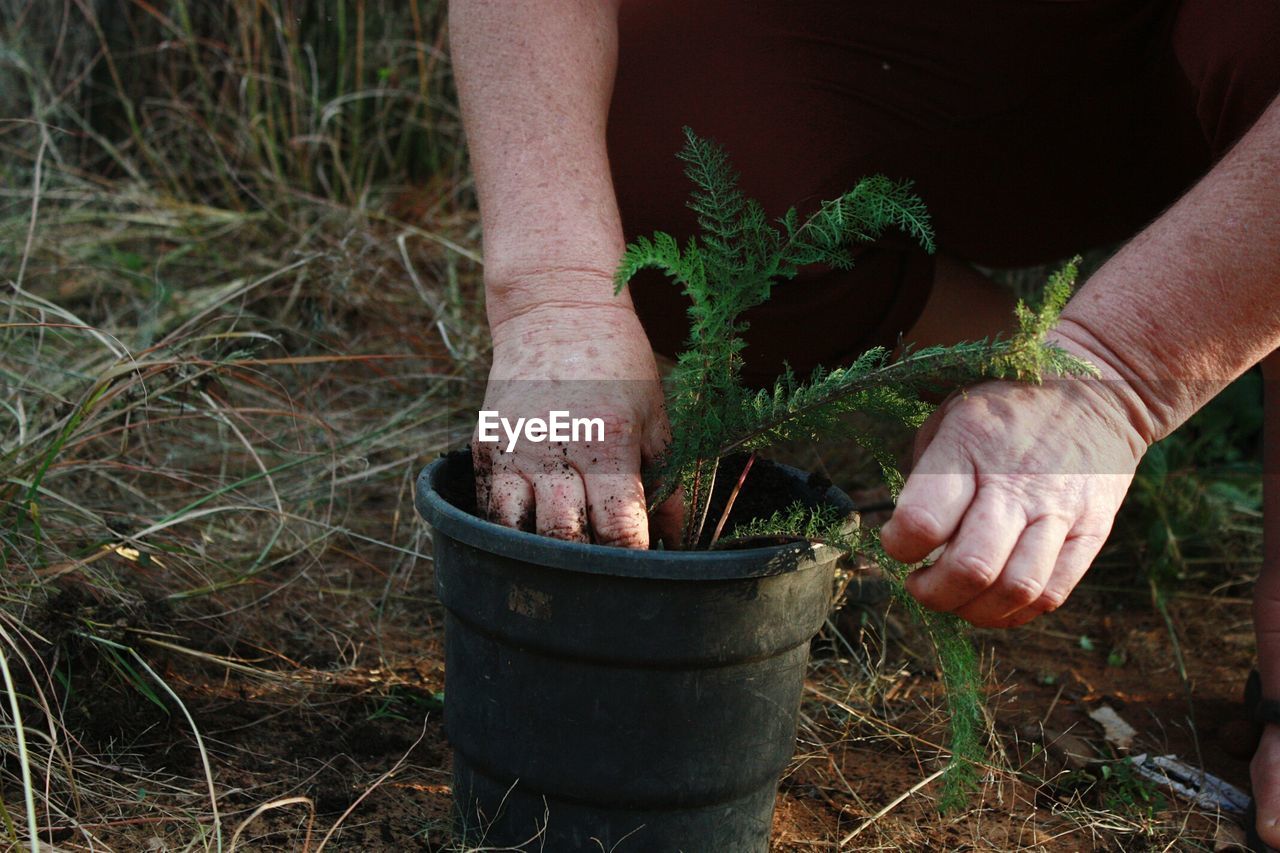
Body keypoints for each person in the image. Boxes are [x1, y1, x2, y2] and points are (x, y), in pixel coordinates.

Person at [449, 0, 1280, 843]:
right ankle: (1004, 369)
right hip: (928, 57)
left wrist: (1111, 377)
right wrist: (555, 293)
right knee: (653, 137)